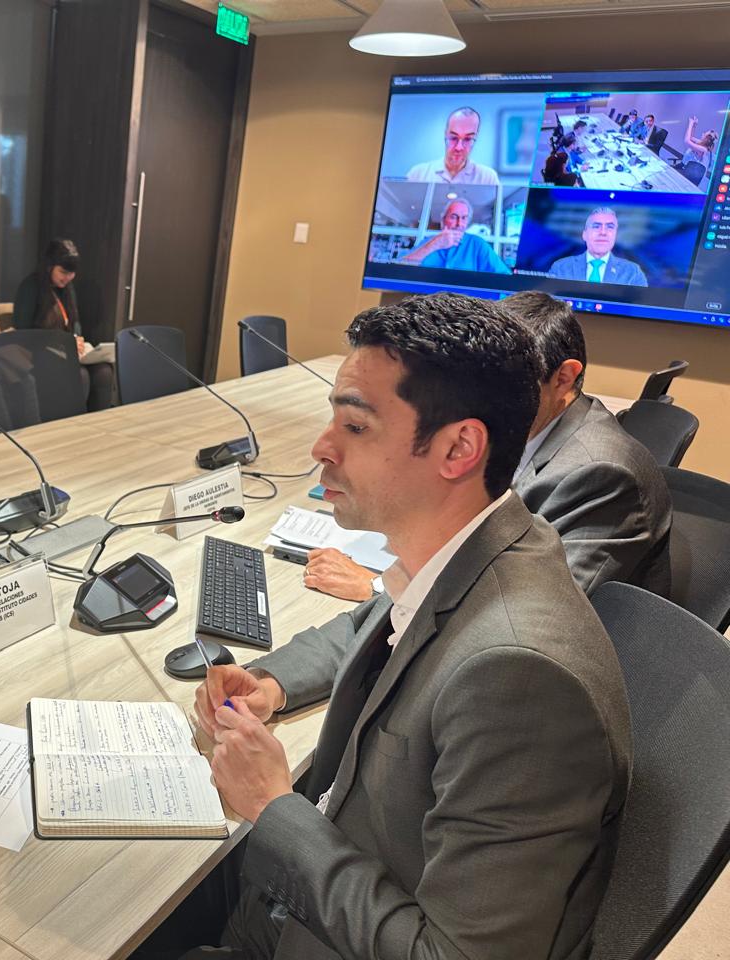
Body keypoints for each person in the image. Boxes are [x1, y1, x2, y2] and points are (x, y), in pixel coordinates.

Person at [181, 293, 630, 960]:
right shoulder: (486, 546)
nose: (321, 447)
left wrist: (273, 806)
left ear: (459, 448)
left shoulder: (520, 677)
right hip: (306, 895)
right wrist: (270, 683)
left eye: (356, 427)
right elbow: (375, 620)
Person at [303, 291, 672, 602]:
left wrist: (378, 587)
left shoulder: (601, 474)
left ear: (564, 378)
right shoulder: (525, 431)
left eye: (516, 382)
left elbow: (533, 606)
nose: (482, 398)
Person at [12, 238, 114, 411]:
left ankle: (99, 425)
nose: (68, 278)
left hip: (65, 350)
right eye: (63, 272)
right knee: (80, 375)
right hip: (38, 351)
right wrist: (62, 342)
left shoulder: (67, 288)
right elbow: (23, 330)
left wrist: (77, 338)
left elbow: (74, 321)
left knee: (104, 372)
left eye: (72, 273)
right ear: (49, 266)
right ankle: (74, 424)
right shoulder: (30, 286)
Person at [397, 198, 510, 273]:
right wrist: (435, 244)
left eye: (464, 218)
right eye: (454, 217)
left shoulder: (477, 244)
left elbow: (504, 278)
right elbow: (400, 269)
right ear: (443, 220)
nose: (459, 224)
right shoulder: (428, 241)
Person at [548, 207, 648, 286]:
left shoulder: (633, 273)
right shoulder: (561, 268)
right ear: (584, 234)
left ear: (615, 235)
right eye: (596, 226)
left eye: (610, 227)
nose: (603, 232)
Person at [404, 107, 501, 185]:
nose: (459, 147)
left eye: (468, 139)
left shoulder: (488, 178)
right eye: (454, 138)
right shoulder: (418, 175)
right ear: (445, 135)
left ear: (475, 138)